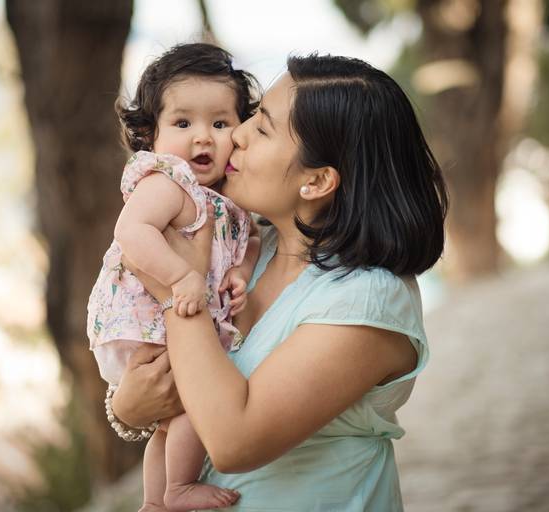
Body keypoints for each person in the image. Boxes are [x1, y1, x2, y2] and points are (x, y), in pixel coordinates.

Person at [113, 53, 449, 511]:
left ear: (317, 181)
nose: (237, 134)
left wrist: (175, 292)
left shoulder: (367, 299)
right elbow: (180, 387)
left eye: (262, 128)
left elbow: (235, 439)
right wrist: (129, 409)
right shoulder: (245, 249)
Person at [85, 43, 261, 511]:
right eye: (183, 123)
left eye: (220, 124)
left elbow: (253, 244)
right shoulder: (168, 181)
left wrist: (240, 274)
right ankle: (177, 490)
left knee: (172, 417)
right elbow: (131, 231)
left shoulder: (230, 202)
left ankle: (156, 502)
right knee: (190, 402)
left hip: (172, 321)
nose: (202, 138)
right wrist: (181, 275)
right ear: (151, 134)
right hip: (145, 316)